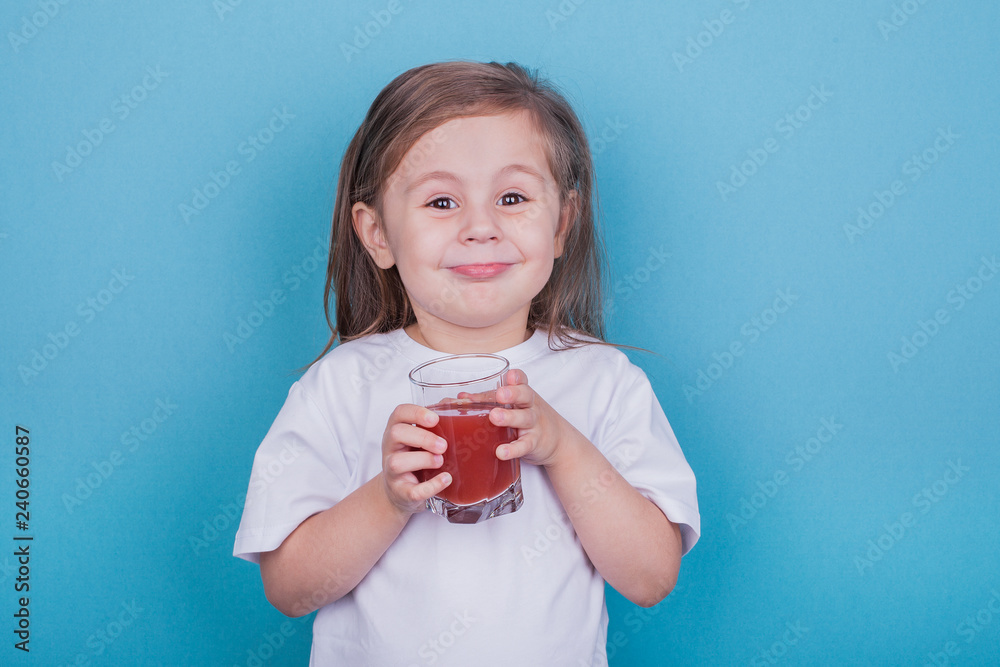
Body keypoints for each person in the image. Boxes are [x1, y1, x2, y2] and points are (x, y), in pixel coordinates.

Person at [234, 60, 699, 666]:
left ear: (562, 223)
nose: (481, 227)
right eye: (442, 200)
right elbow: (290, 590)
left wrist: (561, 446)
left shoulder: (603, 381)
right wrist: (389, 499)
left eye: (512, 197)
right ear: (376, 234)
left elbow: (651, 577)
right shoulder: (341, 386)